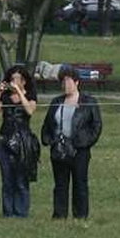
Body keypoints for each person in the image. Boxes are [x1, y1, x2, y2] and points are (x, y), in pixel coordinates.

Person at [40, 64, 102, 220]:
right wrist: (49, 140)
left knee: (80, 184)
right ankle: (59, 215)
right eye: (62, 81)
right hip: (59, 150)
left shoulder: (88, 102)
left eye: (68, 81)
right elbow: (47, 124)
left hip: (79, 150)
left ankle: (80, 215)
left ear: (76, 83)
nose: (65, 85)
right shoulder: (56, 102)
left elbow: (96, 126)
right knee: (60, 185)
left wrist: (83, 142)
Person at [0, 64, 39, 218]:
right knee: (7, 180)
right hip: (5, 140)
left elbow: (30, 110)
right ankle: (8, 212)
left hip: (23, 142)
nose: (13, 81)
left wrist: (19, 92)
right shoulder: (5, 97)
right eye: (11, 79)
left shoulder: (30, 95)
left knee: (21, 180)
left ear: (24, 81)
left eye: (17, 79)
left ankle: (21, 212)